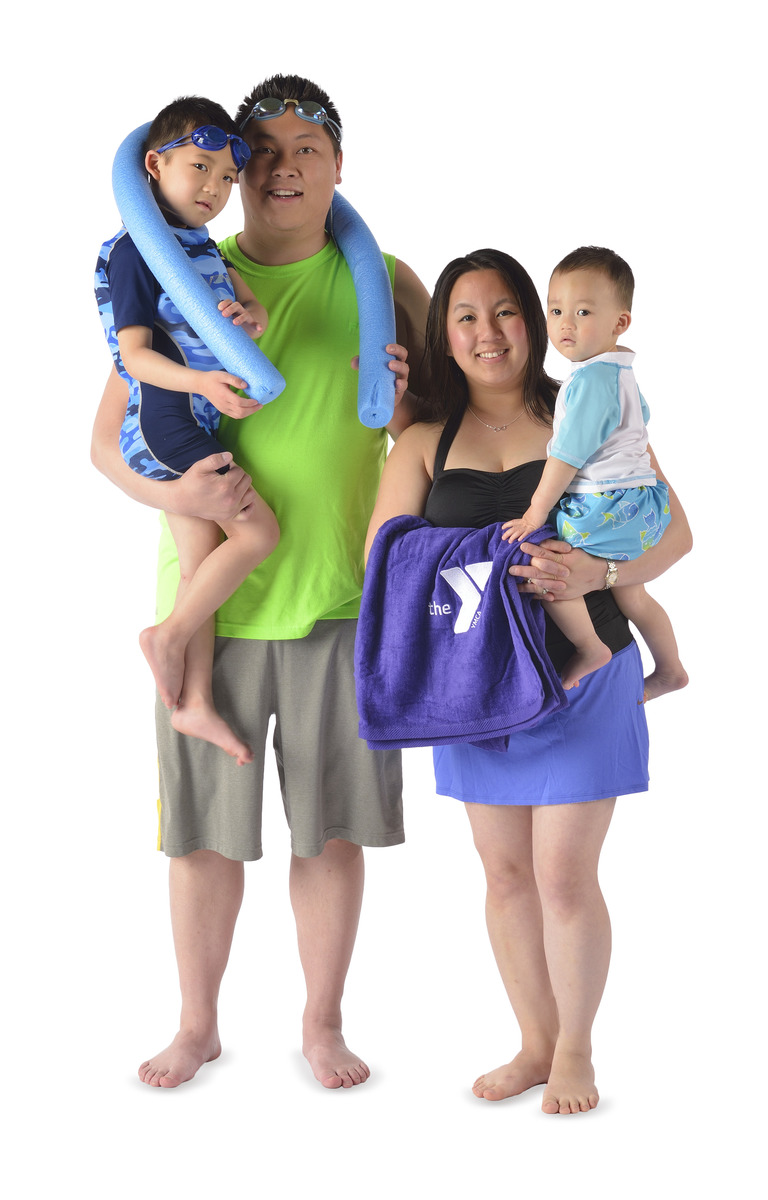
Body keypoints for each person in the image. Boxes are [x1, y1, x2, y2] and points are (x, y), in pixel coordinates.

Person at [91, 74, 430, 1089]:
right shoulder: (184, 269)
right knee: (201, 839)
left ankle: (321, 1025)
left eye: (305, 150)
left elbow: (434, 435)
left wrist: (413, 405)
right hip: (212, 612)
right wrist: (178, 493)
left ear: (338, 166)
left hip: (338, 602)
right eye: (262, 152)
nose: (282, 169)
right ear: (232, 171)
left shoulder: (388, 281)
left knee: (327, 833)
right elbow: (104, 446)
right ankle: (197, 1025)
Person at [364, 249, 692, 1114]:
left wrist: (592, 573)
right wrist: (481, 554)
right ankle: (535, 1044)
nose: (488, 332)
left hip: (588, 673)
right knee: (504, 874)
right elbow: (385, 564)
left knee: (563, 877)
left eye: (506, 311)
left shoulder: (585, 405)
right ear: (444, 333)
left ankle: (578, 1049)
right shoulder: (425, 440)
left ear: (535, 322)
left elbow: (675, 535)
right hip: (474, 686)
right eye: (466, 316)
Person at [95, 95, 279, 766]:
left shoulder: (196, 247)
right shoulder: (137, 252)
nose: (214, 189)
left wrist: (247, 316)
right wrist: (203, 382)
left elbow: (250, 313)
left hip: (195, 415)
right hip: (165, 424)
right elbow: (136, 355)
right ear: (154, 163)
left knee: (202, 567)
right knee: (259, 532)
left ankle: (194, 699)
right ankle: (166, 638)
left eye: (227, 179)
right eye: (199, 168)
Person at [502, 246, 687, 702]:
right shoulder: (623, 372)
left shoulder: (587, 382)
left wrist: (534, 511)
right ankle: (670, 669)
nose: (566, 324)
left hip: (606, 505)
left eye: (583, 311)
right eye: (556, 310)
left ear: (619, 322)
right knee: (634, 596)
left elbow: (564, 456)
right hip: (642, 506)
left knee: (549, 564)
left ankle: (590, 648)